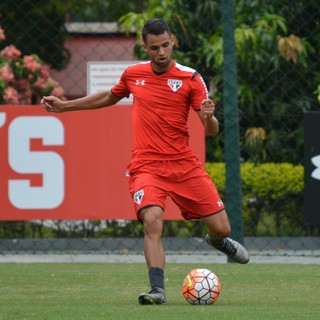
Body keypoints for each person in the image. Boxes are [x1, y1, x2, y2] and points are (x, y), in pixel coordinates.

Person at [41, 18, 249, 305]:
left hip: (184, 165)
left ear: (172, 41)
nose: (161, 52)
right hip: (146, 165)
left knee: (223, 228)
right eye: (154, 48)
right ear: (145, 47)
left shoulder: (191, 78)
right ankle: (157, 290)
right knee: (152, 221)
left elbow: (211, 130)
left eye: (165, 45)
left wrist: (208, 116)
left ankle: (215, 241)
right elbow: (108, 97)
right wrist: (65, 107)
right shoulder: (133, 74)